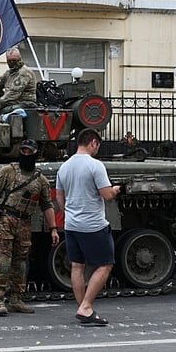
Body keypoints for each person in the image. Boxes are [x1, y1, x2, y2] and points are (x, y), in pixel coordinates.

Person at [0, 140, 59, 316]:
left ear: (35, 154)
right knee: (3, 258)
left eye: (29, 152)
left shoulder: (41, 180)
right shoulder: (7, 172)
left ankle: (16, 298)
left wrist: (53, 228)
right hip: (6, 219)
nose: (25, 154)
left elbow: (47, 205)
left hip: (25, 222)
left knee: (21, 261)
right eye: (23, 151)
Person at [55, 128, 122, 327]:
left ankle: (83, 307)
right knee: (105, 264)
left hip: (72, 225)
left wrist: (69, 213)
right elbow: (107, 195)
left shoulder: (64, 167)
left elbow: (59, 197)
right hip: (93, 225)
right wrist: (116, 189)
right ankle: (85, 307)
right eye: (97, 146)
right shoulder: (95, 166)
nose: (97, 149)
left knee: (77, 266)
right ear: (93, 142)